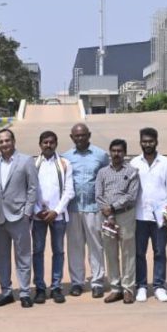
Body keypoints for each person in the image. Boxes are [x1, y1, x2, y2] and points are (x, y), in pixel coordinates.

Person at [0, 128, 38, 308]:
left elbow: (33, 187)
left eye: (7, 140)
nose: (4, 144)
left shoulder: (26, 160)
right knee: (1, 257)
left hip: (19, 216)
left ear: (14, 141)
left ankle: (24, 292)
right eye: (0, 141)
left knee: (23, 256)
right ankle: (6, 292)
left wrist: (27, 212)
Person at [130, 127, 167, 303]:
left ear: (156, 142)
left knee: (159, 252)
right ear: (140, 142)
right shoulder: (134, 163)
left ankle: (159, 286)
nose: (147, 144)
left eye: (150, 141)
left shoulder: (165, 163)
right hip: (140, 215)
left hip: (160, 217)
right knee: (139, 253)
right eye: (144, 141)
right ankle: (141, 286)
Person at [64, 123, 108, 298]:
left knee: (96, 246)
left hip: (93, 208)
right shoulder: (66, 157)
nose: (80, 138)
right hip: (73, 208)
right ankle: (77, 282)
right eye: (77, 136)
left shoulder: (101, 155)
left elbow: (106, 179)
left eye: (83, 135)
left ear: (89, 135)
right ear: (72, 137)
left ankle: (97, 282)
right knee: (75, 247)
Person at [96, 139, 141, 305]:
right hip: (106, 217)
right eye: (114, 151)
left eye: (120, 151)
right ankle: (115, 288)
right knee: (110, 252)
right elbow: (98, 195)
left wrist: (113, 207)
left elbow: (131, 196)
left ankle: (128, 289)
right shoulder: (102, 172)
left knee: (128, 252)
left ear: (125, 153)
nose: (116, 154)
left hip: (125, 215)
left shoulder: (132, 172)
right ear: (110, 152)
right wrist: (108, 212)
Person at [32, 130, 74, 304]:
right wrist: (37, 210)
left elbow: (69, 191)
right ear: (40, 144)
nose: (48, 145)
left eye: (51, 142)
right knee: (38, 251)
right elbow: (29, 190)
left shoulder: (64, 163)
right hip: (38, 216)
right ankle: (40, 288)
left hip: (58, 215)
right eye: (45, 142)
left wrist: (56, 211)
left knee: (58, 251)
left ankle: (56, 287)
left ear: (56, 144)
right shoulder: (33, 164)